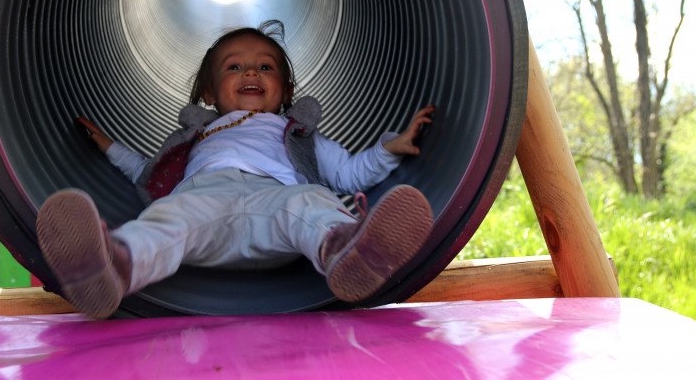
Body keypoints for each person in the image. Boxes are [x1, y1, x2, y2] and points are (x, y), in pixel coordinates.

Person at [36, 20, 435, 319]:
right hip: (205, 205)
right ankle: (113, 265)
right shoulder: (199, 134)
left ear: (286, 91)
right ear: (209, 93)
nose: (250, 73)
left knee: (312, 201)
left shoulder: (295, 133)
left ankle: (346, 251)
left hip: (277, 206)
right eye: (234, 68)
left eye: (265, 67)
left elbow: (348, 175)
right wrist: (109, 146)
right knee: (167, 218)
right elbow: (148, 173)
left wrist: (389, 148)